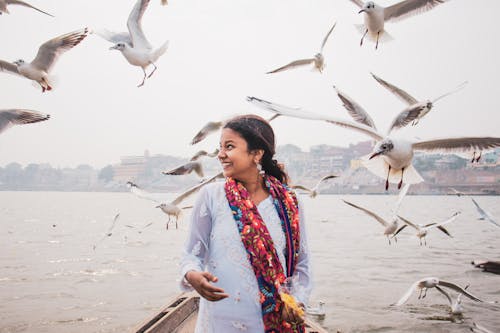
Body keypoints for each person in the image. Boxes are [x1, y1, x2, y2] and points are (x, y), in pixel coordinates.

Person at [180, 114, 312, 332]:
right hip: (220, 317)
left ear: (257, 153)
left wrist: (298, 301)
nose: (220, 155)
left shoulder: (289, 202)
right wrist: (192, 274)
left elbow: (302, 264)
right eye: (220, 147)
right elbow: (191, 254)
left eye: (229, 146)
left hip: (271, 320)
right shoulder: (212, 196)